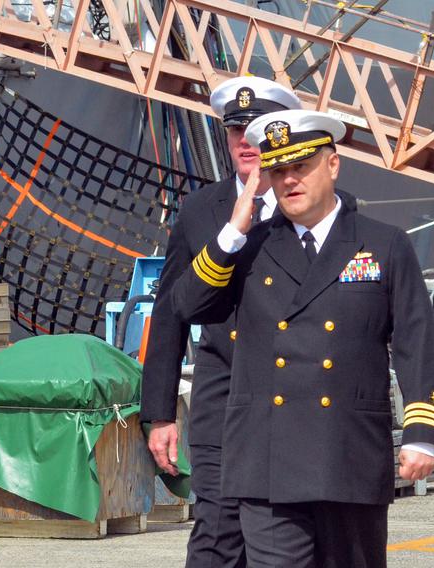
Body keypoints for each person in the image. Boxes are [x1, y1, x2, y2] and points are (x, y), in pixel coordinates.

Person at [170, 109, 434, 567]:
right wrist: (233, 231)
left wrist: (421, 432)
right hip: (267, 460)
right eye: (278, 171)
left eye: (301, 166)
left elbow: (416, 340)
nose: (290, 180)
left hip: (348, 453)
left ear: (332, 165)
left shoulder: (382, 244)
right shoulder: (250, 246)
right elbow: (188, 306)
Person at [140, 76, 300, 568]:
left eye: (256, 130)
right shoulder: (200, 210)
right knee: (216, 532)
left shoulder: (306, 208)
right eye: (235, 131)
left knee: (283, 535)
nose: (245, 141)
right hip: (223, 394)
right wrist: (160, 414)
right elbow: (169, 314)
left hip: (291, 395)